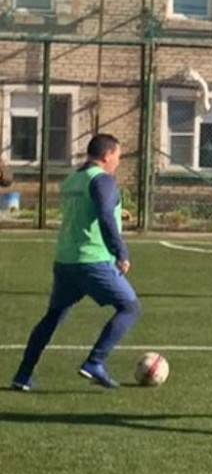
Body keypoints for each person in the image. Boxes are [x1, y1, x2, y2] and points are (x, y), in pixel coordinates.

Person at [10, 134, 140, 390]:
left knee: (53, 316)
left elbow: (89, 210)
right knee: (130, 308)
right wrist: (121, 252)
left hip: (66, 260)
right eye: (118, 156)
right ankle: (95, 362)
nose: (118, 162)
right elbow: (104, 215)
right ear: (107, 155)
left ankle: (23, 375)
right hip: (93, 260)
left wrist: (116, 210)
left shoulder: (73, 179)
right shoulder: (102, 179)